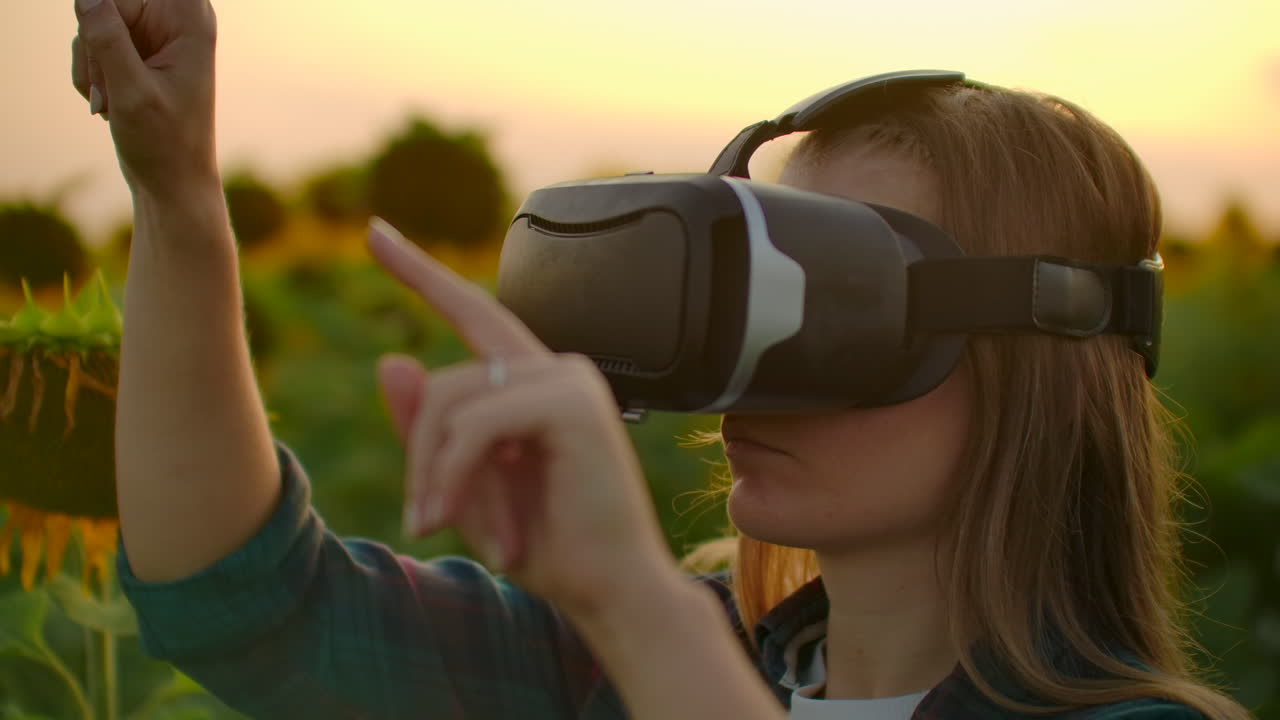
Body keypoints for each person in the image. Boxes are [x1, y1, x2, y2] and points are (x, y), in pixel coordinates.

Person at [70, 0, 1254, 718]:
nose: (751, 370)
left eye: (826, 300)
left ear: (1044, 355)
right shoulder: (609, 668)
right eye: (744, 290)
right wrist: (175, 192)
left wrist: (636, 607)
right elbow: (246, 607)